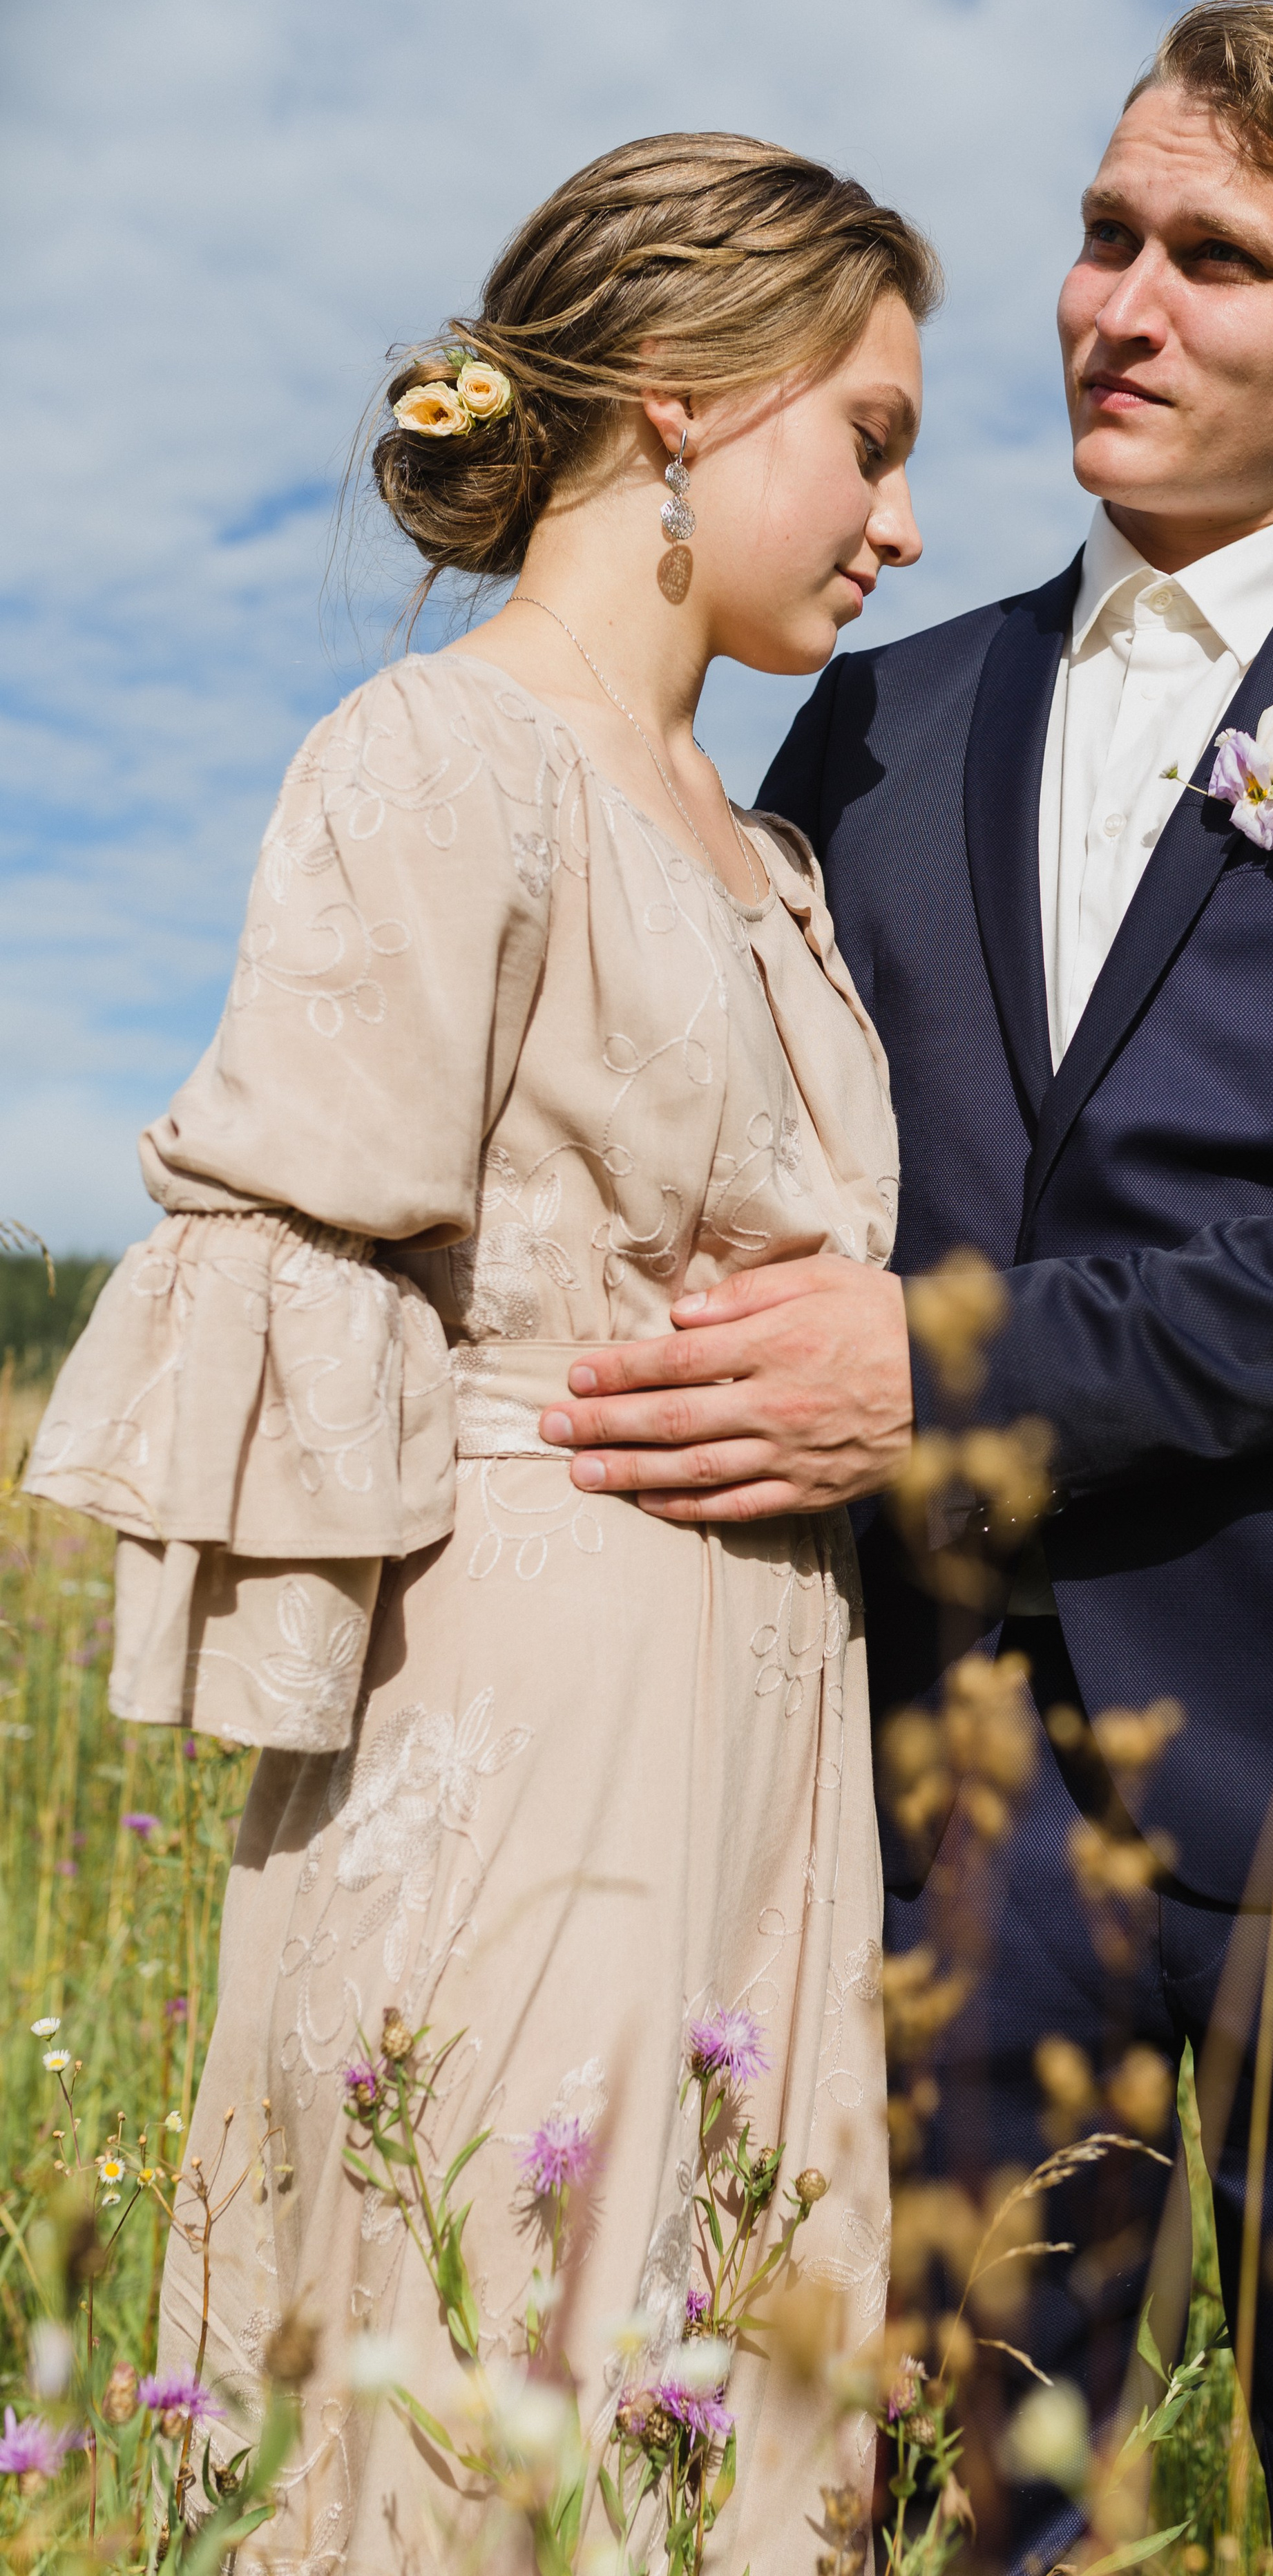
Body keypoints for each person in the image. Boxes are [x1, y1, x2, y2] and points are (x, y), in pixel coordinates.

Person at [539, 1, 1273, 2576]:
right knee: (941, 2523)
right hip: (931, 1823)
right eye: (1107, 234)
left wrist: (943, 1379)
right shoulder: (880, 718)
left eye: (1218, 258)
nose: (1118, 306)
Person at [28, 132, 937, 2570]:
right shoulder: (437, 760)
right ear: (678, 403)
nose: (903, 516)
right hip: (527, 1669)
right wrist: (331, 1842)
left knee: (715, 2370)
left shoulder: (769, 849)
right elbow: (300, 1247)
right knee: (498, 2369)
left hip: (782, 1679)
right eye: (871, 432)